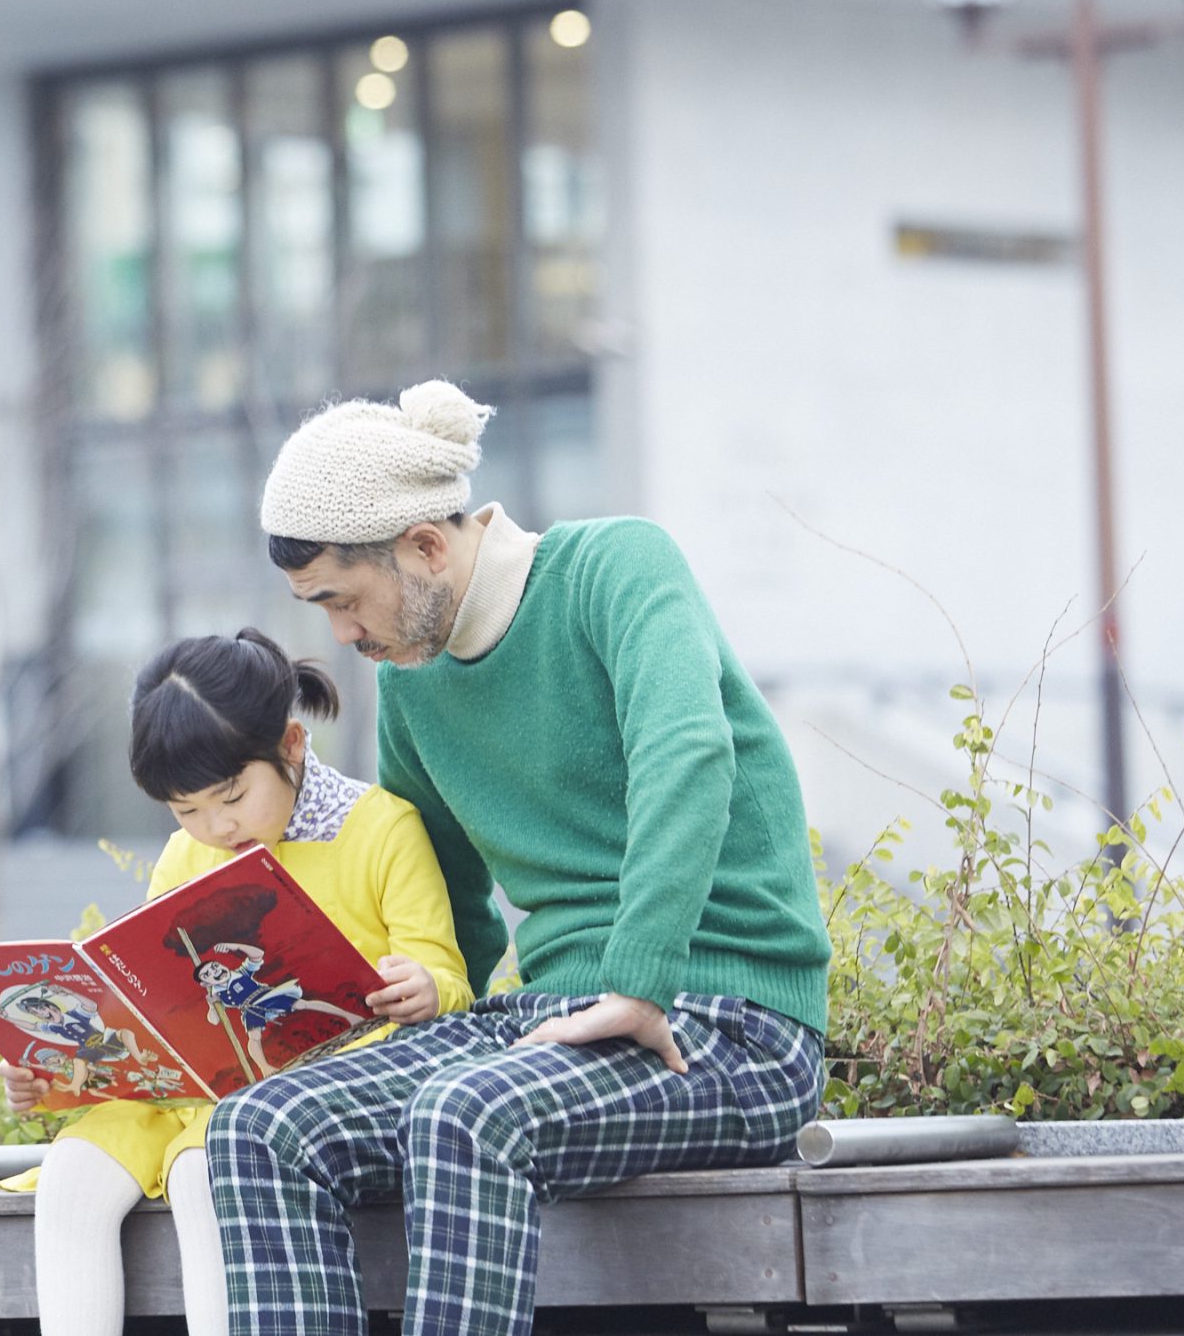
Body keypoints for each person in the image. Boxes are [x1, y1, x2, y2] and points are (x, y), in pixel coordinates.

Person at [208, 381, 834, 1336]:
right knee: (260, 1130)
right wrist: (401, 993)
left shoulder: (618, 566)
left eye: (341, 599)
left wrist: (639, 981)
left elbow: (688, 753)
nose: (338, 636)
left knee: (466, 1111)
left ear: (423, 546)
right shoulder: (415, 688)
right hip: (545, 1023)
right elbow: (442, 903)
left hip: (726, 1023)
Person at [0, 627, 471, 1336]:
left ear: (291, 743)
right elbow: (148, 1009)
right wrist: (55, 1067)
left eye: (231, 795)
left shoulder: (380, 828)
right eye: (185, 809)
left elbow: (450, 978)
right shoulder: (184, 855)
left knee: (204, 1172)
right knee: (71, 1176)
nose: (214, 826)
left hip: (312, 1083)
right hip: (193, 1086)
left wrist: (426, 986)